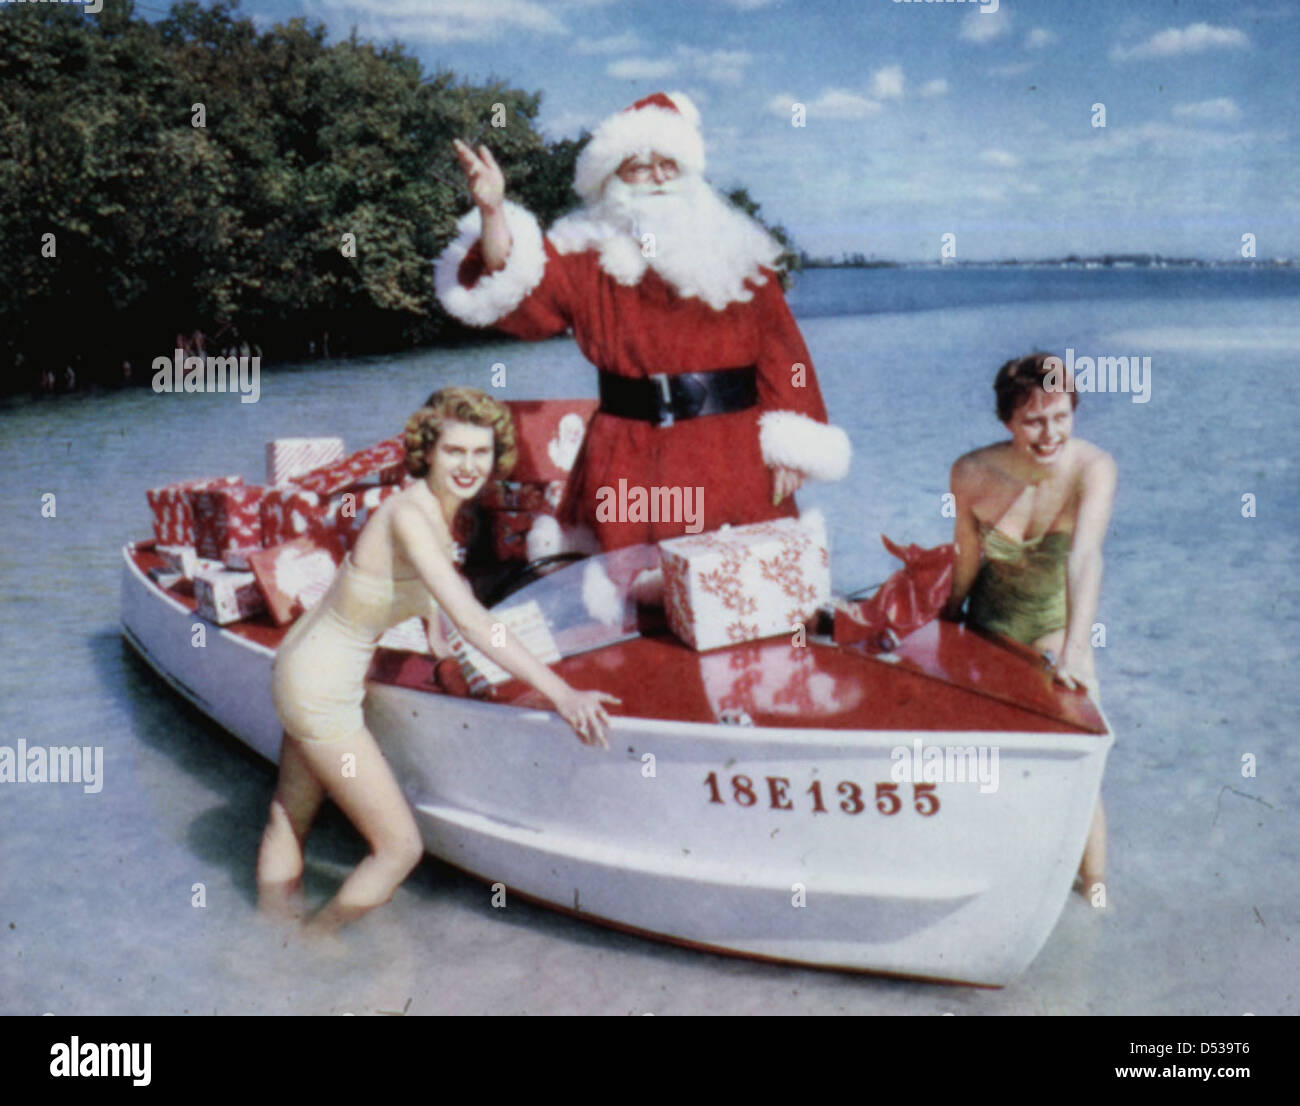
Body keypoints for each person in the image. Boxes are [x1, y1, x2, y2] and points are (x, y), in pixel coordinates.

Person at [256, 387, 620, 933]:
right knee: (398, 849)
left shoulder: (430, 508)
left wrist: (434, 634)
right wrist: (562, 694)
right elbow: (474, 619)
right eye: (455, 452)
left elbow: (417, 584)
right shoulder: (408, 514)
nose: (469, 466)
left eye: (481, 453)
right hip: (321, 688)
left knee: (291, 815)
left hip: (303, 665)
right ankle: (316, 946)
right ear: (428, 451)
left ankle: (269, 943)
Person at [434, 91, 850, 556]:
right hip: (630, 456)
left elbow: (782, 353)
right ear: (612, 178)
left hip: (733, 454)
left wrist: (791, 444)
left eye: (668, 164)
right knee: (631, 595)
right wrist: (493, 212)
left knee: (744, 592)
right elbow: (520, 290)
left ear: (688, 170)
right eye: (638, 166)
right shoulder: (585, 255)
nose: (656, 178)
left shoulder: (740, 254)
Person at [942, 352, 1116, 899]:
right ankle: (997, 879)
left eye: (1061, 416)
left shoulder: (1093, 469)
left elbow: (1084, 558)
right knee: (986, 768)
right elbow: (966, 559)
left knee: (1076, 748)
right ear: (1007, 422)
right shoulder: (971, 472)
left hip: (1052, 630)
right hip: (986, 629)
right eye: (1034, 421)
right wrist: (939, 621)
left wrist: (1078, 651)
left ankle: (1095, 891)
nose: (1050, 433)